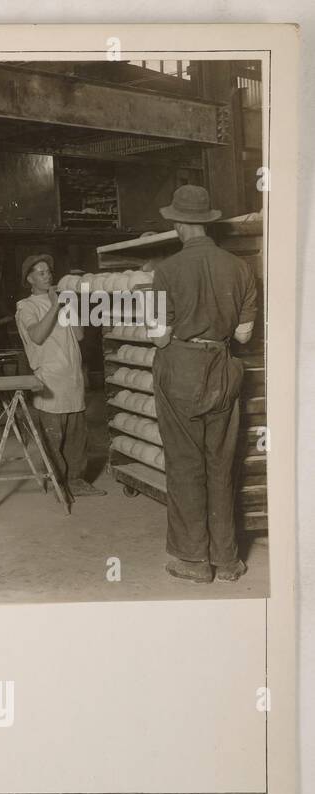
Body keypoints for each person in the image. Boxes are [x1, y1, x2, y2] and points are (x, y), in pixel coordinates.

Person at [149, 185, 257, 583]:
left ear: (178, 224)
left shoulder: (166, 270)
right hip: (224, 371)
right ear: (207, 222)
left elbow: (159, 336)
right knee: (221, 465)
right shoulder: (240, 268)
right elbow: (244, 336)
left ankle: (193, 561)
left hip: (182, 372)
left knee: (185, 465)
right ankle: (227, 560)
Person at [14, 253, 105, 499]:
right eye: (41, 273)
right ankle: (57, 482)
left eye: (49, 272)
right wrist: (55, 305)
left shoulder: (63, 302)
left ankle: (75, 480)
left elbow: (78, 336)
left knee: (77, 435)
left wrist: (70, 304)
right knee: (54, 436)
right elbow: (37, 336)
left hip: (72, 377)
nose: (48, 276)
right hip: (50, 379)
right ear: (29, 279)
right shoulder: (26, 307)